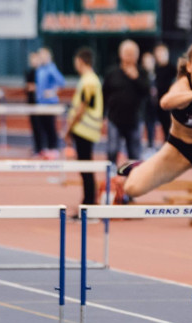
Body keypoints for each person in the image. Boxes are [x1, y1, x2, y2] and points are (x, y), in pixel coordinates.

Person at [117, 41, 192, 199]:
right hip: (179, 150)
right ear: (189, 67)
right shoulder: (182, 86)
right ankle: (141, 167)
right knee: (132, 188)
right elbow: (165, 102)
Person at [64, 47, 103, 215]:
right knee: (85, 168)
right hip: (85, 130)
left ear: (81, 61)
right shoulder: (90, 80)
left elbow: (81, 107)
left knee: (85, 168)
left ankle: (88, 205)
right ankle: (87, 203)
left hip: (84, 130)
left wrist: (68, 128)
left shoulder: (88, 81)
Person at [102, 40, 150, 166]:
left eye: (132, 53)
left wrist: (136, 78)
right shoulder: (112, 73)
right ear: (121, 54)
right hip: (114, 119)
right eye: (127, 53)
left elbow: (147, 93)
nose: (129, 56)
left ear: (137, 55)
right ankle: (111, 176)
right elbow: (104, 95)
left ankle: (133, 179)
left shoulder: (142, 72)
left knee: (134, 153)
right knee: (112, 150)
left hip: (134, 120)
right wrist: (102, 116)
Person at [34, 47, 65, 159]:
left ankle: (54, 149)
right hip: (40, 104)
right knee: (42, 127)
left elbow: (62, 82)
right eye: (40, 55)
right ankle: (45, 149)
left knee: (50, 127)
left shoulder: (51, 68)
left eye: (43, 55)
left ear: (48, 56)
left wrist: (53, 91)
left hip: (50, 104)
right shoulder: (39, 69)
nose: (41, 57)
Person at [153, 43, 176, 145]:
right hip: (159, 102)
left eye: (161, 53)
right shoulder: (156, 69)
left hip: (171, 103)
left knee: (171, 125)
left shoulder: (172, 69)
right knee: (163, 125)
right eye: (158, 54)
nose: (159, 56)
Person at [25, 51, 42, 157]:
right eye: (31, 59)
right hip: (31, 103)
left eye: (35, 59)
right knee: (34, 126)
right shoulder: (29, 72)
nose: (33, 61)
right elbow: (28, 87)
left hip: (39, 104)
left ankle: (41, 148)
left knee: (40, 126)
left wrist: (36, 87)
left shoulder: (41, 72)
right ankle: (37, 147)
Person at [141, 51, 159, 153]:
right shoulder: (141, 76)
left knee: (152, 124)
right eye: (146, 61)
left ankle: (151, 144)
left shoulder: (157, 75)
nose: (148, 63)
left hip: (155, 106)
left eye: (150, 61)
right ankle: (147, 145)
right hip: (144, 106)